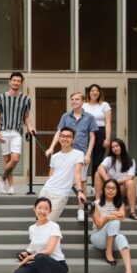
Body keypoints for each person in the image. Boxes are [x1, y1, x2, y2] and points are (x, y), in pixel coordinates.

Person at [45, 93, 97, 221]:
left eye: (77, 99)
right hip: (67, 154)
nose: (74, 101)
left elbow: (92, 137)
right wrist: (51, 147)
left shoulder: (89, 117)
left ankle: (81, 209)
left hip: (82, 153)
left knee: (82, 181)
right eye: (72, 99)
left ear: (83, 101)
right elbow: (59, 132)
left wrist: (88, 154)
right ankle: (50, 206)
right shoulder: (65, 116)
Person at [14, 198, 68, 273]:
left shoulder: (54, 227)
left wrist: (29, 258)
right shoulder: (32, 228)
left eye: (46, 209)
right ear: (34, 209)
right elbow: (34, 246)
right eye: (39, 208)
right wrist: (25, 254)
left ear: (50, 211)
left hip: (58, 266)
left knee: (40, 256)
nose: (42, 211)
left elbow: (48, 251)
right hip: (41, 262)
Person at [0, 72, 34, 195]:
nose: (16, 82)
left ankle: (1, 179)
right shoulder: (1, 97)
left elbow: (26, 117)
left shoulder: (26, 99)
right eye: (14, 80)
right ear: (9, 81)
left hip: (17, 132)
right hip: (4, 131)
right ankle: (10, 187)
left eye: (18, 81)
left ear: (21, 83)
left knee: (15, 159)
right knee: (7, 160)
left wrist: (31, 127)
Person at [39, 127, 86, 222]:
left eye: (68, 136)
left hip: (60, 195)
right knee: (40, 220)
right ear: (59, 138)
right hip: (45, 191)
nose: (65, 139)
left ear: (73, 140)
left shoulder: (79, 154)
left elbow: (77, 174)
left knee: (49, 222)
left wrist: (80, 191)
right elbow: (51, 175)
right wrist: (45, 186)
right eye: (63, 136)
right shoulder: (55, 156)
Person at [91, 179, 135, 273]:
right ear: (103, 189)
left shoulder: (119, 203)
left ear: (117, 191)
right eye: (108, 188)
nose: (111, 190)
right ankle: (108, 253)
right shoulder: (95, 204)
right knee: (115, 222)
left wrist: (106, 217)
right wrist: (112, 215)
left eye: (113, 188)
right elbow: (98, 224)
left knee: (121, 237)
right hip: (98, 237)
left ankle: (129, 271)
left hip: (112, 236)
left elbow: (122, 216)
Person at [96, 138, 137, 220]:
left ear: (122, 146)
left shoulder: (131, 161)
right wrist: (108, 181)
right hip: (108, 188)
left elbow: (131, 176)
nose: (115, 148)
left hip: (121, 188)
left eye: (117, 146)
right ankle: (97, 203)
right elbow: (100, 168)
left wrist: (116, 182)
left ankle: (132, 212)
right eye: (113, 147)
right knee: (97, 174)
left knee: (130, 182)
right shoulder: (110, 159)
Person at [83, 84, 112, 185]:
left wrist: (107, 138)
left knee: (97, 160)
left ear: (100, 93)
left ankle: (95, 185)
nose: (94, 93)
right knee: (85, 159)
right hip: (86, 132)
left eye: (97, 91)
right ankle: (81, 184)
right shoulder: (84, 105)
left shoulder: (104, 105)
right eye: (92, 91)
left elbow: (108, 122)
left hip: (100, 131)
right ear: (89, 93)